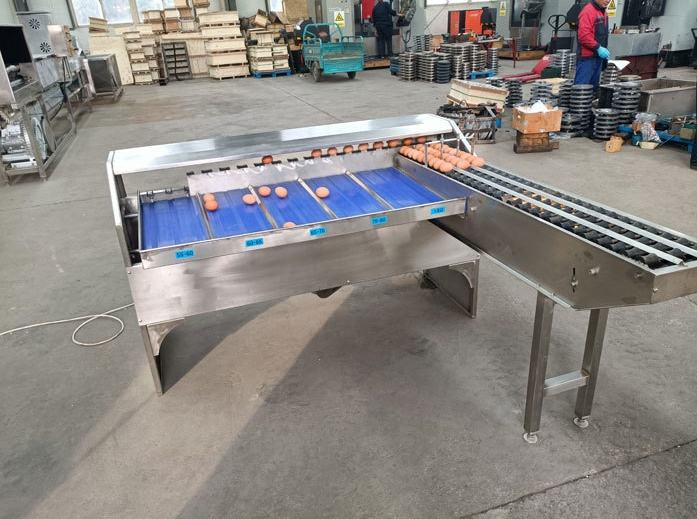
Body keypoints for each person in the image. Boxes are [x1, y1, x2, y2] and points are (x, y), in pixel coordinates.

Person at [575, 0, 610, 90]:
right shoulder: (588, 11)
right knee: (581, 90)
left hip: (598, 57)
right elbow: (584, 36)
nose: (608, 1)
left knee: (593, 89)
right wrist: (598, 48)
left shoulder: (603, 12)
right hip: (587, 59)